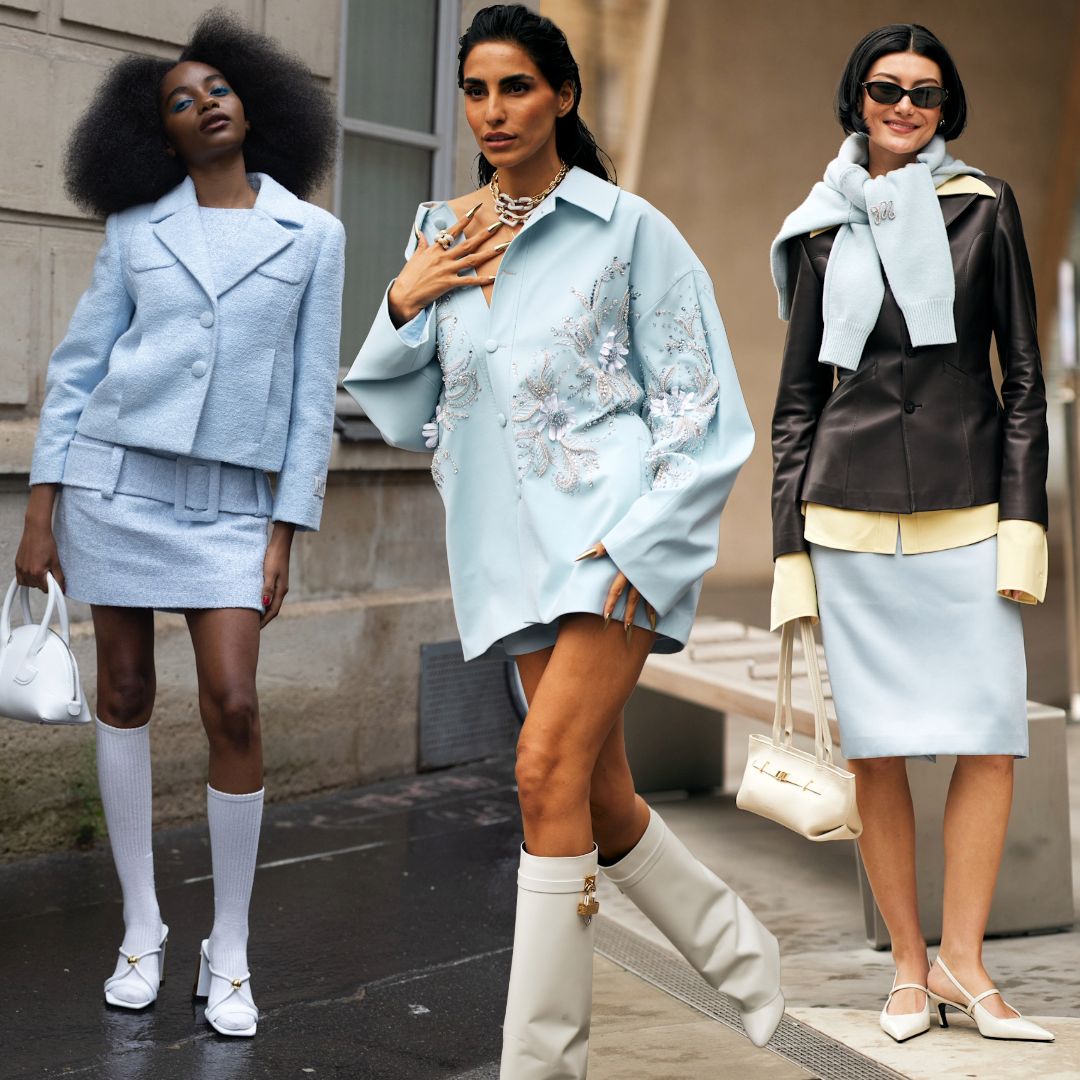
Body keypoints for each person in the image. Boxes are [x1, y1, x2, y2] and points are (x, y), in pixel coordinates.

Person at [345, 5, 783, 1075]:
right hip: (505, 556)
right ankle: (745, 961)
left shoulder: (630, 230)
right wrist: (403, 300)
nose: (494, 111)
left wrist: (648, 546)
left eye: (518, 88)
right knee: (594, 792)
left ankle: (541, 1065)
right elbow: (404, 412)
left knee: (541, 768)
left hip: (609, 544)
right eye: (478, 90)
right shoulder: (439, 234)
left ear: (563, 97)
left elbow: (703, 410)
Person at [15, 11, 343, 1038]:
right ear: (160, 135)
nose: (205, 104)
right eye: (180, 101)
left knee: (235, 703)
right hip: (115, 485)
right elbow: (77, 374)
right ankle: (142, 928)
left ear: (254, 105)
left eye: (219, 90)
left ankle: (230, 946)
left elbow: (305, 401)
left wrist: (286, 529)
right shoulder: (134, 231)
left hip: (234, 508)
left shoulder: (314, 236)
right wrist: (40, 509)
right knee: (121, 690)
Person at [770, 23, 1052, 1044]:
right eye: (885, 89)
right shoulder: (818, 224)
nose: (904, 106)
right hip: (844, 518)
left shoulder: (985, 207)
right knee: (878, 752)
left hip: (972, 508)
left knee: (988, 739)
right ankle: (905, 968)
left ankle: (964, 961)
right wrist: (787, 552)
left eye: (925, 94)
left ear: (946, 109)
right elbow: (798, 400)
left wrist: (1025, 524)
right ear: (857, 98)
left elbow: (1022, 380)